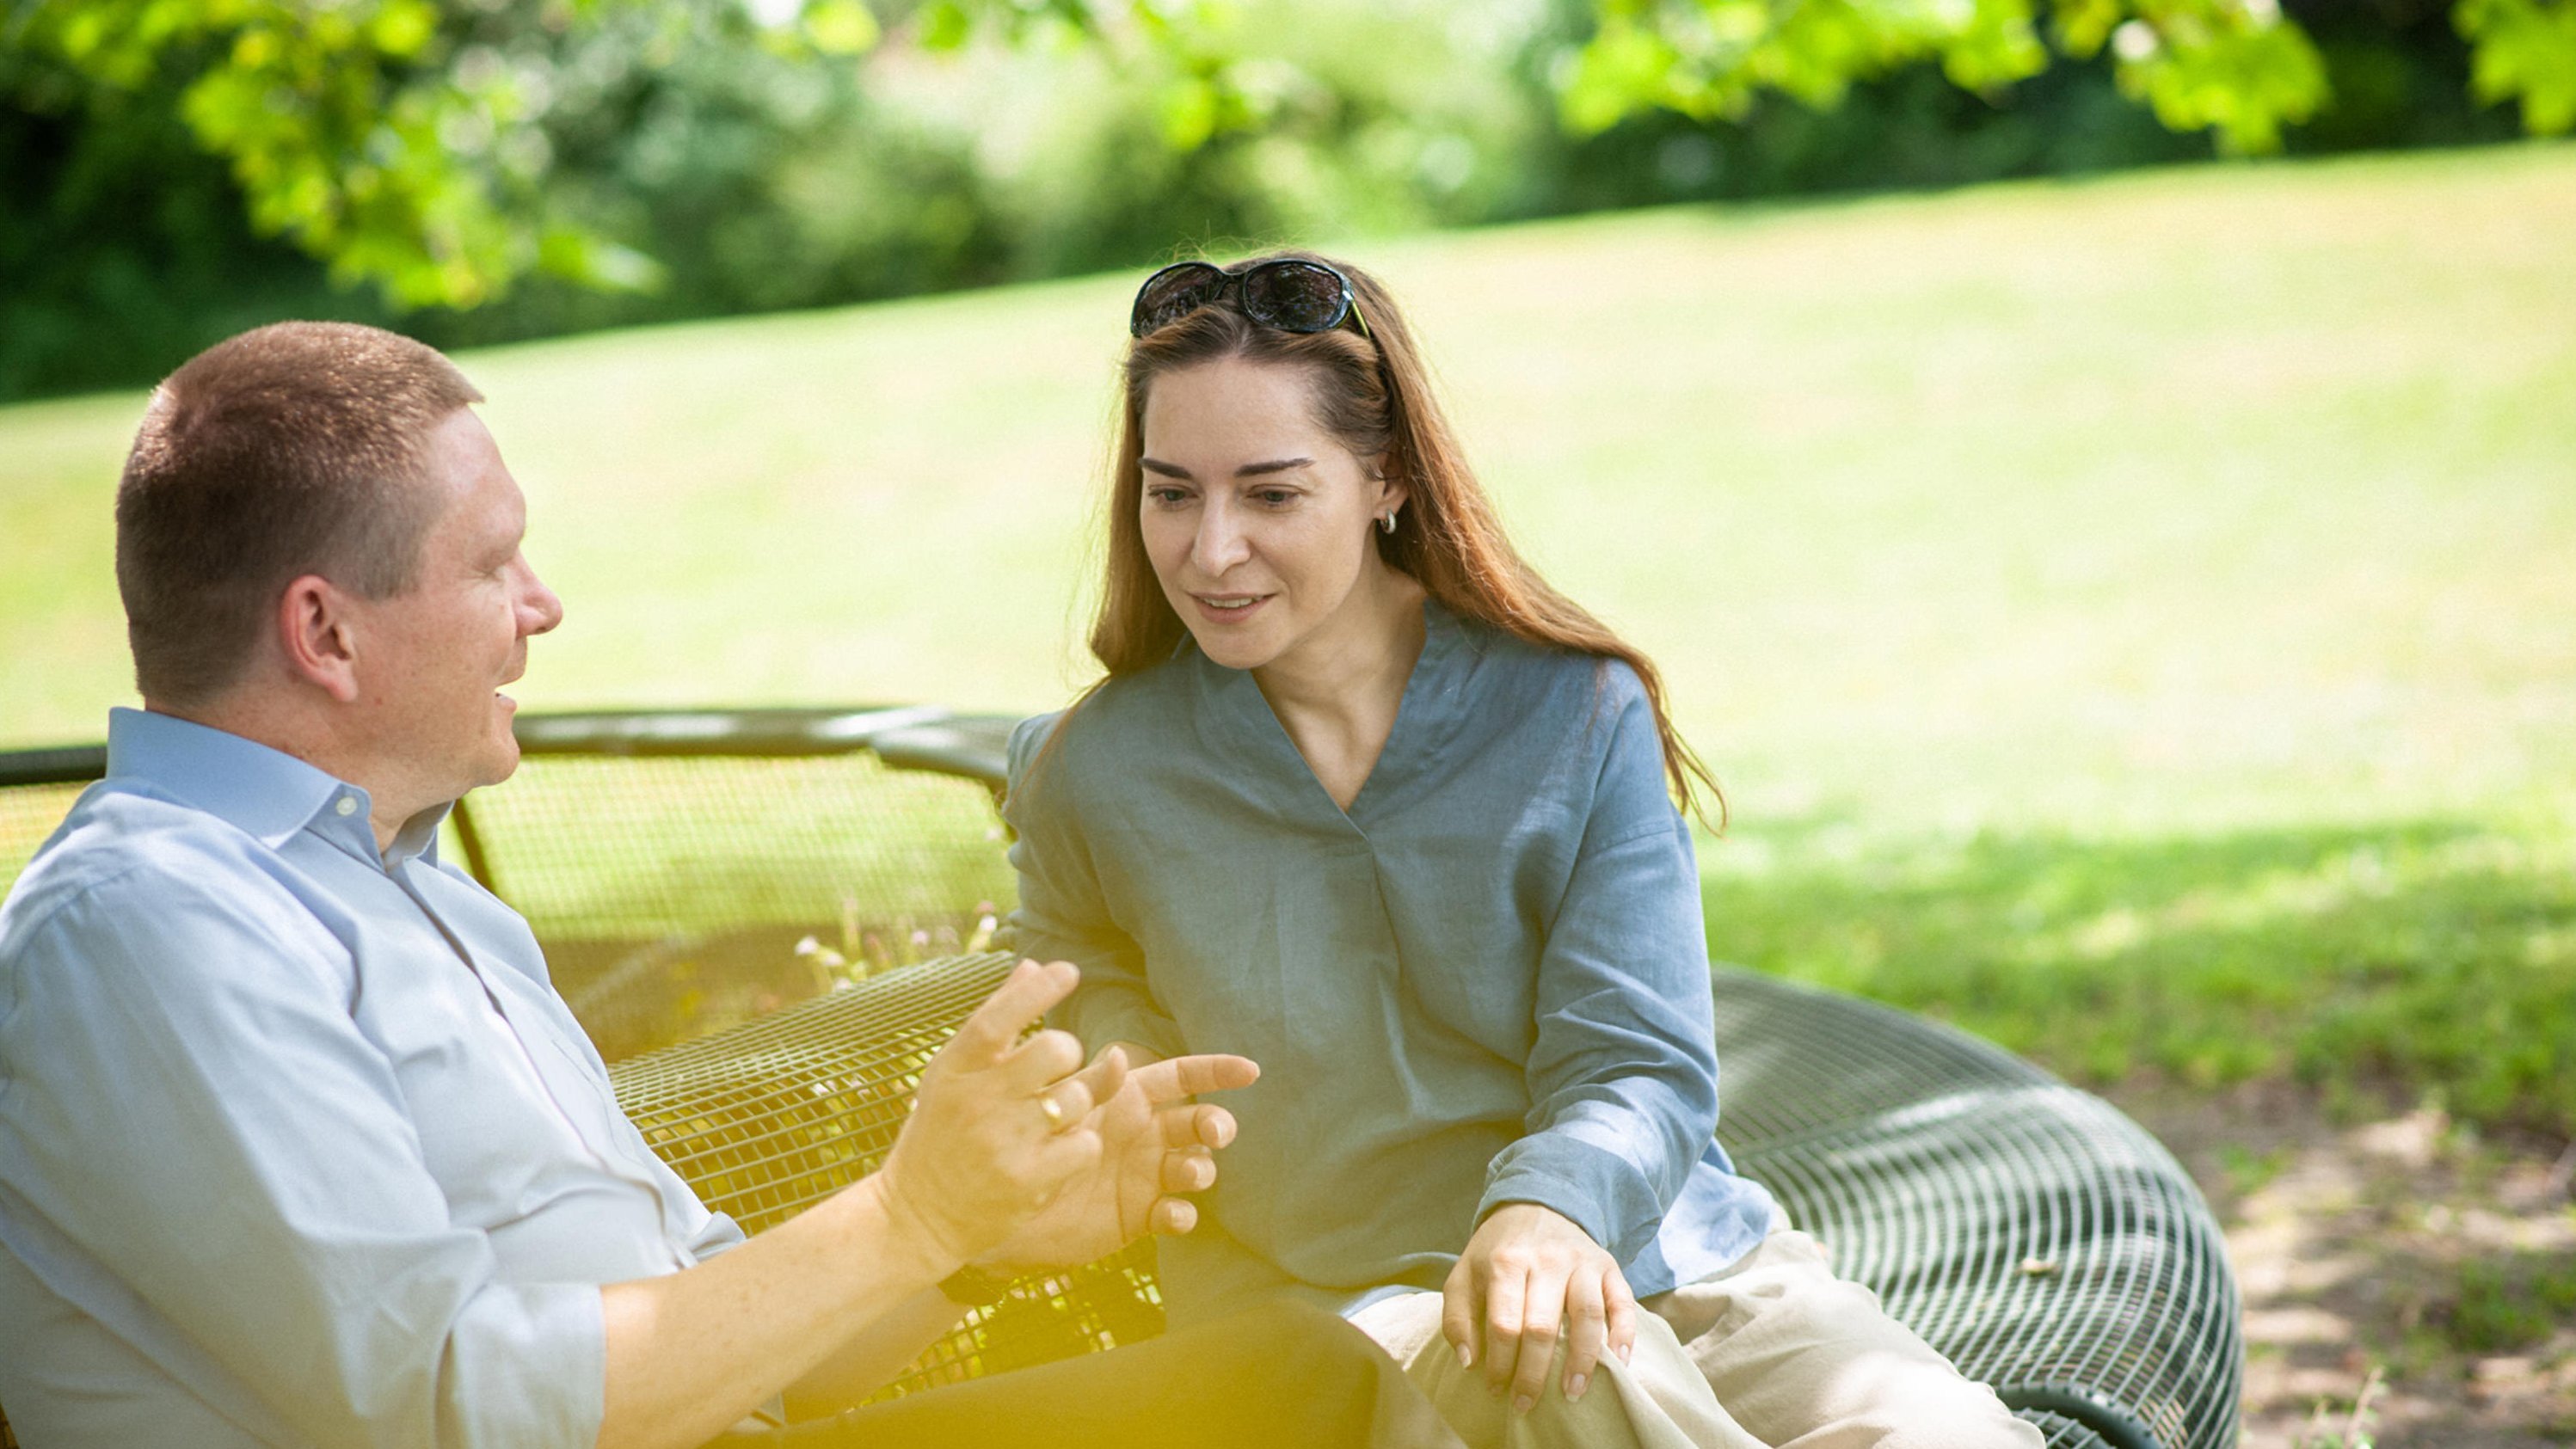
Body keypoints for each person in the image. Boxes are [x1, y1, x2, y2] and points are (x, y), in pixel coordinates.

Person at [0, 322, 1461, 1449]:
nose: (542, 606)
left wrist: (975, 1243)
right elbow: (446, 1406)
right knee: (1295, 1380)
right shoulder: (144, 926)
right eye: (495, 564)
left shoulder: (415, 890)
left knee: (1289, 1366)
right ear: (325, 631)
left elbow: (719, 1326)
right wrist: (909, 1217)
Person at [1003, 254, 2046, 1448]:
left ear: (1386, 476)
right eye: (1172, 492)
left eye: (1272, 495)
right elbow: (1073, 950)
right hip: (1337, 1311)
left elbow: (1640, 1058)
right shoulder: (1091, 769)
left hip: (1677, 1255)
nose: (1211, 548)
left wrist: (1552, 1208)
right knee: (1558, 1368)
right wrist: (1117, 1052)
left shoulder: (1575, 710)